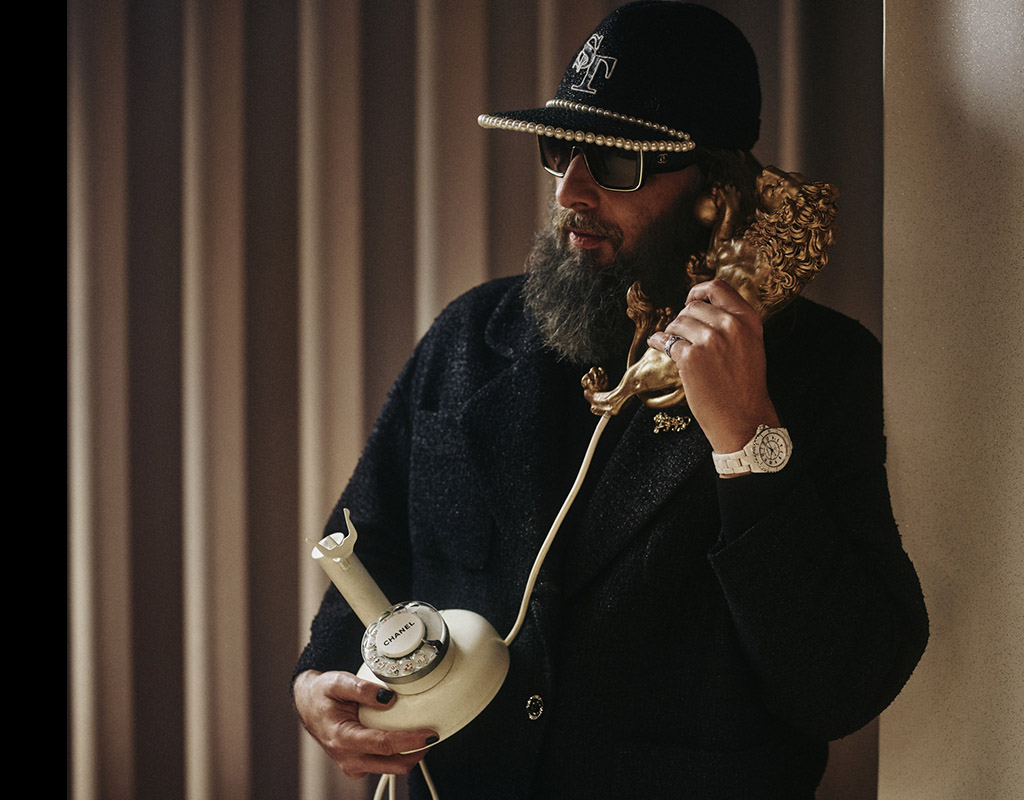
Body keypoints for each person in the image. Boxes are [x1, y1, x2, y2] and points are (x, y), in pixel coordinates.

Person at [292, 2, 928, 798]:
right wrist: (319, 682)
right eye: (560, 151)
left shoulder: (821, 367)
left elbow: (846, 683)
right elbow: (365, 546)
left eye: (616, 162)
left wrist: (747, 436)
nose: (571, 191)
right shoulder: (469, 336)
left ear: (715, 190)